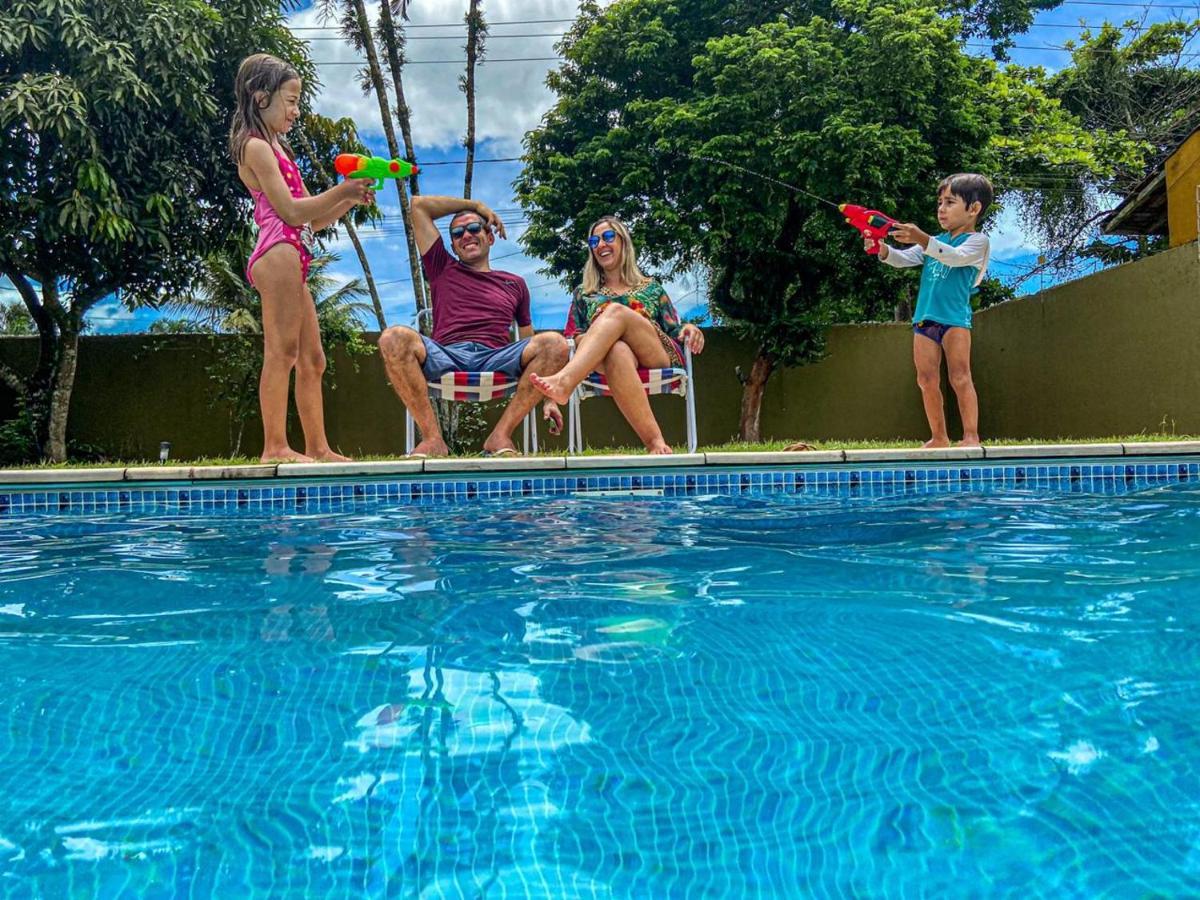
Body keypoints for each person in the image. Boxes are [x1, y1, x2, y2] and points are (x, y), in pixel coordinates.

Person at [231, 53, 374, 463]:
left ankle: (318, 448)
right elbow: (291, 213)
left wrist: (349, 198)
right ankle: (274, 447)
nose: (296, 110)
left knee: (313, 358)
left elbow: (314, 219)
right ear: (261, 98)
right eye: (291, 101)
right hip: (277, 252)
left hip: (294, 250)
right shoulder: (255, 147)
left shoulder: (279, 147)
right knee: (282, 352)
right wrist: (343, 189)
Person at [377, 196, 567, 457]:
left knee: (555, 344)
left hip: (496, 356)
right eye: (457, 233)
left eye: (475, 228)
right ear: (453, 245)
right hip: (447, 354)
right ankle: (433, 441)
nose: (466, 235)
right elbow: (419, 207)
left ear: (490, 237)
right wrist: (477, 207)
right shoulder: (441, 267)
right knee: (393, 337)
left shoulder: (515, 284)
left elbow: (528, 340)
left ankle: (500, 436)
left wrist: (550, 398)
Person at [529, 217, 704, 455]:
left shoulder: (651, 287)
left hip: (654, 353)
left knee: (616, 312)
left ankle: (565, 382)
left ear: (623, 242)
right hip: (608, 361)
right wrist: (603, 338)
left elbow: (674, 328)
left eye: (608, 237)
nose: (601, 244)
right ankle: (655, 442)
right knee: (617, 350)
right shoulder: (584, 293)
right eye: (594, 240)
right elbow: (574, 338)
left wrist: (689, 328)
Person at [875, 173, 993, 448]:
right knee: (926, 379)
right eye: (940, 202)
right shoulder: (935, 241)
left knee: (960, 376)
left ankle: (971, 436)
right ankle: (939, 437)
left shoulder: (977, 242)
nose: (941, 208)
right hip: (924, 318)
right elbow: (904, 258)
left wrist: (922, 238)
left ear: (974, 209)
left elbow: (955, 258)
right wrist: (882, 251)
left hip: (954, 320)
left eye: (950, 202)